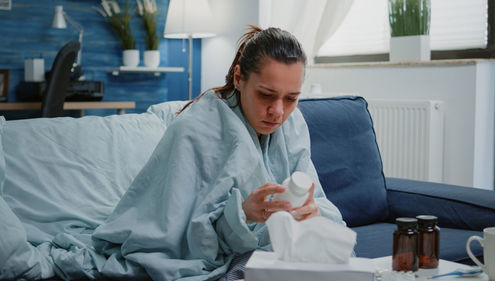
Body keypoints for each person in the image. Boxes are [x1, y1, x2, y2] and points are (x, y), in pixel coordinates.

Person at [89, 25, 345, 281]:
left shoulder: (293, 124)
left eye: (291, 98)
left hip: (277, 252)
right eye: (266, 95)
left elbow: (319, 201)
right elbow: (173, 232)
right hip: (229, 253)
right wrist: (241, 214)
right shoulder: (195, 129)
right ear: (238, 77)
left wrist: (312, 211)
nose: (278, 112)